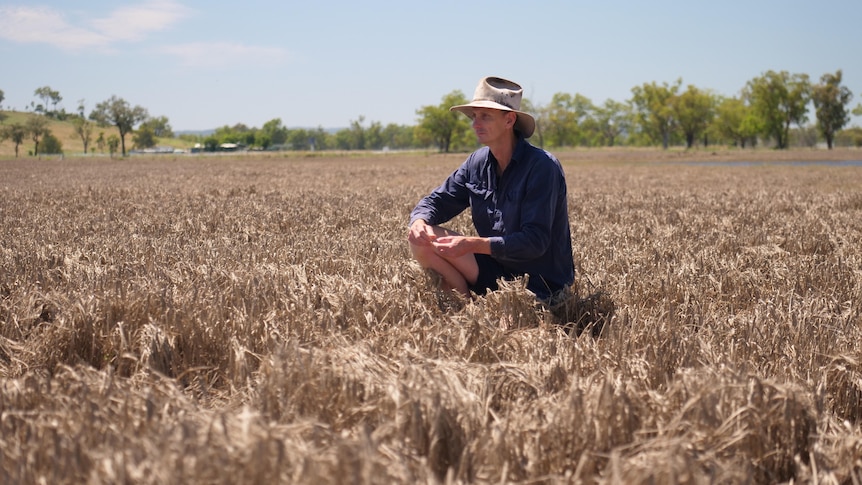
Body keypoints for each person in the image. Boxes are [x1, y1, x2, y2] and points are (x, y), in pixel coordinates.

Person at [408, 76, 574, 302]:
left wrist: (472, 244)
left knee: (514, 324)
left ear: (509, 120)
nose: (475, 124)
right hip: (495, 269)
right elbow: (437, 201)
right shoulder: (476, 163)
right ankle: (464, 311)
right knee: (422, 240)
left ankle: (492, 309)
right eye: (474, 116)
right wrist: (419, 222)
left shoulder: (542, 167)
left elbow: (534, 242)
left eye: (485, 116)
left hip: (539, 282)